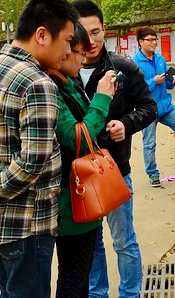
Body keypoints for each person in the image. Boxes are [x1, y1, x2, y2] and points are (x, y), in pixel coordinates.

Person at [0, 0, 78, 297]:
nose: (69, 51)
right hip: (25, 227)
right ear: (42, 35)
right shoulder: (38, 84)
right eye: (67, 41)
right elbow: (32, 163)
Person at [72, 0, 157, 298]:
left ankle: (130, 294)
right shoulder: (64, 71)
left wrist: (126, 124)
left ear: (104, 29)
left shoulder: (123, 68)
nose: (90, 41)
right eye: (82, 33)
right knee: (91, 244)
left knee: (124, 241)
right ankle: (98, 294)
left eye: (95, 32)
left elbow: (149, 107)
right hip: (79, 176)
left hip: (116, 171)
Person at [49, 23, 115, 298]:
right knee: (73, 275)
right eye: (78, 52)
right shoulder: (51, 87)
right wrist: (102, 98)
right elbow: (76, 137)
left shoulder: (69, 82)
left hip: (83, 193)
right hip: (71, 198)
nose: (82, 60)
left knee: (82, 271)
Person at [132, 26, 175, 185]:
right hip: (147, 110)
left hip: (166, 107)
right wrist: (153, 81)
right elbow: (135, 89)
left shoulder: (160, 59)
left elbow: (167, 84)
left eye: (155, 39)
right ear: (140, 42)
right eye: (149, 40)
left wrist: (173, 81)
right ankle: (153, 174)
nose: (153, 42)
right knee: (149, 143)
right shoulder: (134, 63)